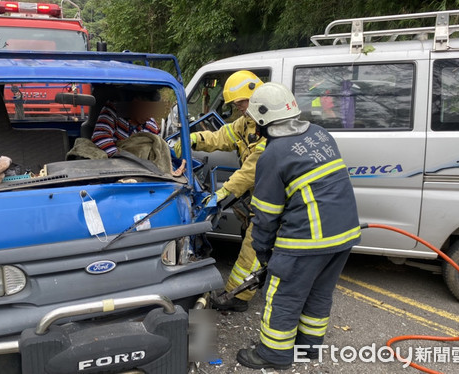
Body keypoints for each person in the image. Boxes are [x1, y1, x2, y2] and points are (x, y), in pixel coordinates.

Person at [236, 82, 361, 370]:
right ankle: (308, 348)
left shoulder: (273, 154)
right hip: (344, 234)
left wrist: (265, 254)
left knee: (283, 296)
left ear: (263, 120)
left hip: (306, 240)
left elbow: (266, 214)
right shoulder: (321, 134)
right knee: (319, 293)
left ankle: (274, 354)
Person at [173, 70, 265, 312]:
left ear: (255, 96)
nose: (240, 108)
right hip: (259, 196)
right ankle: (261, 280)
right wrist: (190, 139)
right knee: (257, 241)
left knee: (254, 246)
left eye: (242, 102)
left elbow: (249, 172)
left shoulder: (269, 128)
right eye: (237, 105)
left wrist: (222, 194)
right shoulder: (246, 123)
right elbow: (220, 137)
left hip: (272, 199)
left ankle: (238, 297)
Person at [91, 90, 160, 157]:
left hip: (141, 166)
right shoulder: (113, 111)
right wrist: (121, 158)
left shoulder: (152, 125)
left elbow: (158, 148)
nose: (149, 116)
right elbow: (100, 136)